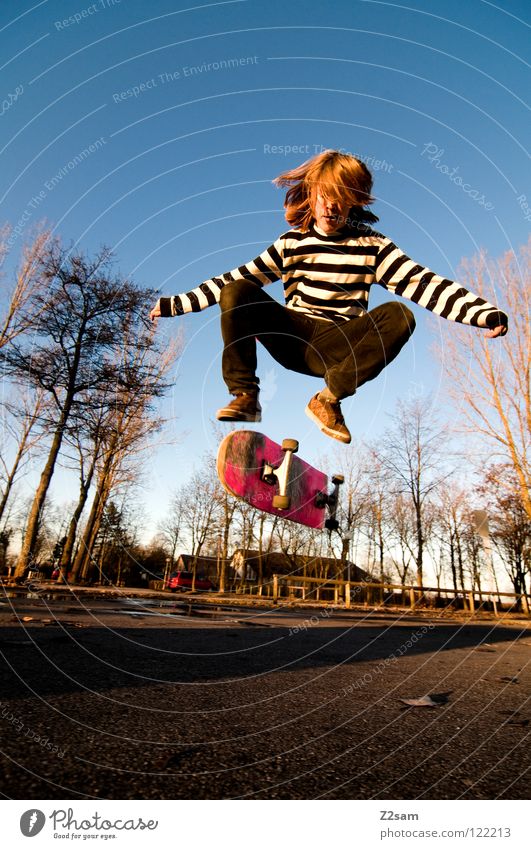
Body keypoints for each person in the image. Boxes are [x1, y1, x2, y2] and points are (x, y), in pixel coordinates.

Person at [150, 150, 508, 444]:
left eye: (342, 200)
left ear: (354, 201)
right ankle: (245, 395)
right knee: (237, 291)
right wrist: (175, 305)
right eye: (325, 197)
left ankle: (328, 400)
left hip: (341, 344)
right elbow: (237, 279)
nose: (332, 208)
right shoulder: (292, 243)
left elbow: (423, 283)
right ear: (311, 194)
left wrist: (483, 313)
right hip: (294, 337)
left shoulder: (372, 246)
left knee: (401, 314)